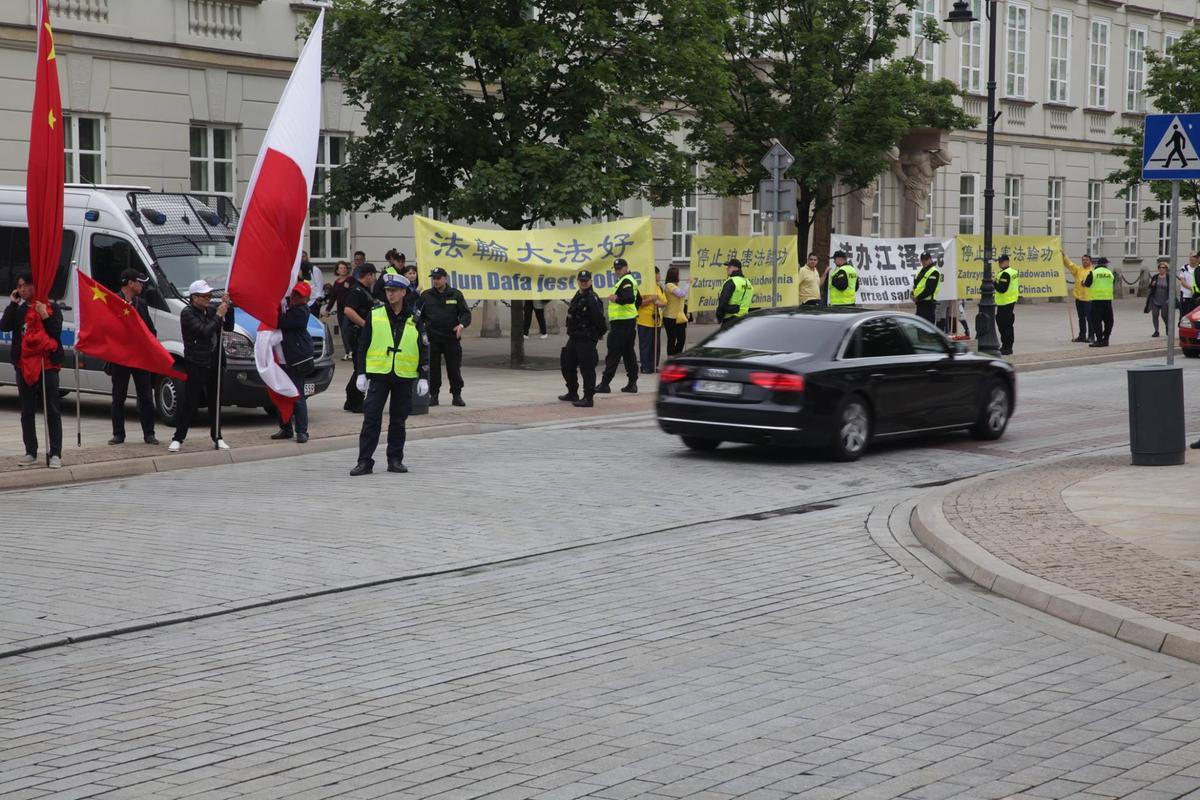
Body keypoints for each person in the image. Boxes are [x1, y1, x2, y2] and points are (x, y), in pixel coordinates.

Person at [351, 273, 429, 475]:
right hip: (379, 374)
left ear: (404, 292)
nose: (390, 294)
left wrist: (423, 376)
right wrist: (361, 373)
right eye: (387, 290)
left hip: (403, 375)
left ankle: (395, 459)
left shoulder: (415, 318)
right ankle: (364, 461)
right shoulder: (375, 314)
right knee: (371, 418)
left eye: (394, 291)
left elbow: (423, 347)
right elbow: (363, 345)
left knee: (398, 420)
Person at [1, 272, 64, 468]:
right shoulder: (19, 310)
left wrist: (44, 315)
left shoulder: (51, 307)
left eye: (25, 286)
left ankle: (55, 453)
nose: (22, 290)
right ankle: (31, 451)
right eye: (19, 287)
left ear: (34, 286)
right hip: (24, 365)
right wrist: (12, 304)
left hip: (47, 364)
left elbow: (56, 331)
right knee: (27, 410)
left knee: (52, 409)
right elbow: (5, 326)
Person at [169, 280, 234, 452]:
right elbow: (204, 331)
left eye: (210, 295)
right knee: (190, 402)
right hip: (197, 362)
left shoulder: (211, 310)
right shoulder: (187, 313)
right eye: (205, 296)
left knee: (215, 401)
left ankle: (217, 436)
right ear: (194, 297)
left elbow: (228, 326)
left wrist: (229, 306)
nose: (208, 298)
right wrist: (219, 315)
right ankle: (178, 438)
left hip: (215, 361)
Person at [108, 268, 158, 446]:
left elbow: (151, 330)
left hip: (140, 358)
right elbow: (107, 330)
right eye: (139, 282)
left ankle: (149, 434)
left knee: (146, 396)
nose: (142, 285)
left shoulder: (141, 304)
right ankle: (118, 434)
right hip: (120, 358)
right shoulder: (112, 301)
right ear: (130, 283)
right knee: (118, 397)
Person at [269, 282, 316, 443]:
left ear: (306, 299)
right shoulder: (288, 305)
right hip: (282, 361)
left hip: (297, 361)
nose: (295, 297)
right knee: (281, 395)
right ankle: (285, 428)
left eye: (300, 296)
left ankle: (302, 431)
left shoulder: (301, 312)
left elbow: (278, 322)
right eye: (294, 294)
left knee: (297, 397)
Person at [420, 267, 471, 407]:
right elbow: (418, 315)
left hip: (451, 338)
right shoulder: (426, 295)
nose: (435, 281)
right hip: (433, 338)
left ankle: (456, 395)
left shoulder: (455, 294)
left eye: (438, 278)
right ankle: (434, 395)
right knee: (433, 368)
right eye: (434, 278)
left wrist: (461, 325)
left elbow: (466, 314)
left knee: (454, 368)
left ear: (445, 278)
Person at [559, 269, 607, 407]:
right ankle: (572, 392)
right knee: (567, 363)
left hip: (586, 338)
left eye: (586, 281)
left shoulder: (592, 298)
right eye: (581, 281)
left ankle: (588, 397)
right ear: (578, 281)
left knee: (587, 368)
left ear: (591, 281)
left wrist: (599, 334)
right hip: (575, 336)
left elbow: (599, 318)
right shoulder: (578, 295)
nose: (584, 283)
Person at [596, 257, 640, 394]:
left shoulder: (626, 281)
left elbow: (630, 298)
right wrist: (633, 312)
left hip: (622, 324)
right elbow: (639, 300)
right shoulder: (628, 280)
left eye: (619, 269)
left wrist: (617, 299)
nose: (617, 271)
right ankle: (632, 383)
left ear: (626, 268)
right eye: (615, 269)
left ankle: (605, 383)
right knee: (628, 353)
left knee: (614, 353)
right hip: (628, 322)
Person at [342, 263, 377, 412]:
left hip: (360, 334)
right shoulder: (357, 291)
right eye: (373, 275)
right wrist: (365, 325)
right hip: (358, 335)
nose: (374, 279)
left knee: (359, 368)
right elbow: (348, 311)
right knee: (361, 368)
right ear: (369, 275)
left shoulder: (364, 291)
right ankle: (356, 402)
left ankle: (350, 400)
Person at [637, 266, 668, 374]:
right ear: (653, 275)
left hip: (656, 321)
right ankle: (645, 366)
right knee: (646, 345)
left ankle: (654, 365)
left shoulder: (659, 287)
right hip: (645, 321)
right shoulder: (643, 287)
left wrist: (660, 303)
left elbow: (665, 302)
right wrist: (651, 299)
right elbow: (639, 303)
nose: (659, 276)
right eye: (658, 273)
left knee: (656, 345)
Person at [1062, 253, 1094, 342]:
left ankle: (1091, 336)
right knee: (1081, 318)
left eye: (1086, 260)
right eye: (1083, 260)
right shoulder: (1079, 270)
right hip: (1079, 298)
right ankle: (1082, 335)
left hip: (1089, 298)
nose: (1084, 261)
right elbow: (1070, 265)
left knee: (1090, 318)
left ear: (1090, 261)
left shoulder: (1093, 271)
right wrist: (1064, 257)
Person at [1085, 256, 1115, 347]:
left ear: (1098, 264)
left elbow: (1087, 284)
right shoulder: (1110, 274)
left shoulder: (1093, 273)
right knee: (1109, 321)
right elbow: (1113, 283)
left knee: (1096, 321)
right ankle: (1106, 340)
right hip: (1107, 301)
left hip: (1096, 301)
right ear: (1106, 264)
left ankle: (1099, 340)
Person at [994, 253, 1019, 355]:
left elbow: (1002, 289)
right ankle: (1007, 346)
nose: (999, 264)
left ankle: (1007, 348)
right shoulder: (1013, 272)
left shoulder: (1005, 274)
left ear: (1007, 261)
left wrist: (994, 283)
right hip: (1010, 301)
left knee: (1004, 326)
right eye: (999, 262)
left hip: (1004, 303)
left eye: (1001, 262)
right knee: (1008, 326)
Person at [715, 257, 752, 326]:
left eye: (729, 267)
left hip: (730, 319)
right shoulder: (748, 283)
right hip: (744, 320)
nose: (727, 269)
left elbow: (722, 303)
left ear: (736, 268)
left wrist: (719, 316)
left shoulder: (731, 282)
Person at [663, 266, 688, 356]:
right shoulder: (669, 285)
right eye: (678, 274)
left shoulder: (675, 286)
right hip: (670, 317)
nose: (679, 276)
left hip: (679, 317)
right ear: (674, 276)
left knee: (681, 339)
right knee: (672, 338)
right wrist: (688, 284)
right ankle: (671, 357)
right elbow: (681, 294)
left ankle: (677, 356)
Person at [331, 261, 354, 360]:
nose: (343, 269)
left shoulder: (350, 279)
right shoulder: (336, 283)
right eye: (341, 268)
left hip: (348, 309)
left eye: (344, 268)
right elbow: (333, 297)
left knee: (346, 330)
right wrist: (328, 309)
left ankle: (351, 351)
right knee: (342, 331)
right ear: (337, 270)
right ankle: (347, 351)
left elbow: (355, 291)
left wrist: (349, 287)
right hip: (340, 310)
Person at [911, 252, 942, 324]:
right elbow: (915, 286)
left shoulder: (934, 272)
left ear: (930, 259)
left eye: (926, 259)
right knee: (919, 326)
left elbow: (930, 289)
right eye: (922, 260)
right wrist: (912, 294)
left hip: (928, 304)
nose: (924, 261)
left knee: (927, 328)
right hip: (920, 303)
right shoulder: (920, 271)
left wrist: (917, 297)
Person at [1146, 258, 1172, 338]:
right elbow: (1150, 287)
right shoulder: (1155, 277)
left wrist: (1170, 299)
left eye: (1163, 267)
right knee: (1155, 315)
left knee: (1164, 315)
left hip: (1165, 300)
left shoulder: (1169, 277)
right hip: (1155, 300)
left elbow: (1172, 289)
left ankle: (1168, 327)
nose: (1161, 269)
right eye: (1160, 267)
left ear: (1166, 269)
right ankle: (1156, 331)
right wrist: (1152, 285)